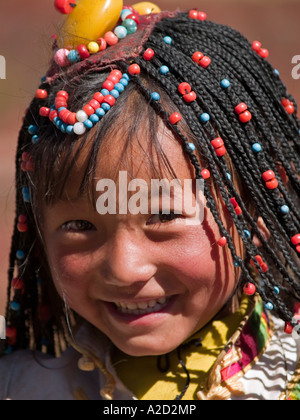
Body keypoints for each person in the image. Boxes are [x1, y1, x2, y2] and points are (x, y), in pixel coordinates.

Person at [0, 1, 300, 401]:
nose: (125, 270)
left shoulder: (285, 377)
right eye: (79, 226)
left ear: (256, 206)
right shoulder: (22, 389)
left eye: (163, 216)